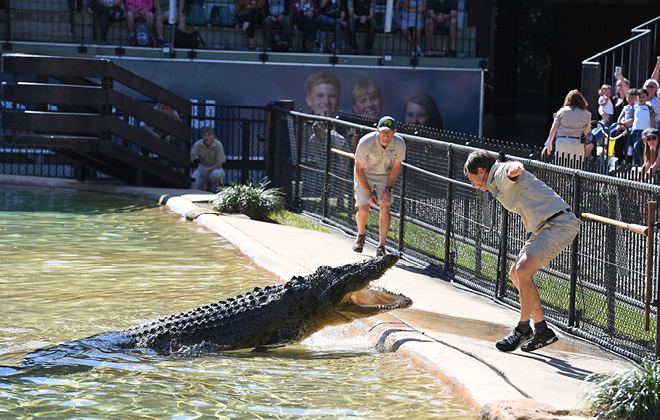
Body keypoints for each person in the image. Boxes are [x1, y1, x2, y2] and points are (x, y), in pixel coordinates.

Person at [464, 150, 580, 352]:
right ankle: (542, 330)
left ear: (482, 171)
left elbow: (512, 169)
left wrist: (514, 167)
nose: (472, 185)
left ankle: (523, 328)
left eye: (472, 179)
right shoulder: (493, 180)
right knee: (515, 274)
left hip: (559, 224)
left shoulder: (499, 173)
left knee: (523, 271)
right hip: (544, 226)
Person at [352, 116, 406, 257]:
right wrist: (369, 192)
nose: (386, 134)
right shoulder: (366, 142)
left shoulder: (399, 144)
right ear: (378, 130)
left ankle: (381, 246)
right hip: (365, 173)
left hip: (384, 175)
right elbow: (358, 169)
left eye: (389, 131)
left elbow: (396, 166)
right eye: (383, 131)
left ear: (395, 131)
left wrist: (388, 189)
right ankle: (361, 235)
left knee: (385, 207)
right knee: (364, 208)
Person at [546, 89, 591, 166]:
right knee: (575, 169)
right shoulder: (586, 113)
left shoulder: (562, 111)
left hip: (561, 141)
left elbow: (554, 128)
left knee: (561, 168)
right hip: (576, 142)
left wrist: (549, 144)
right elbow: (587, 132)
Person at [190, 126, 227, 191]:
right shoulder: (198, 144)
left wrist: (208, 169)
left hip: (215, 168)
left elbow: (219, 164)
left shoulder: (218, 145)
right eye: (205, 135)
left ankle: (214, 189)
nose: (207, 138)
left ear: (213, 136)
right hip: (202, 167)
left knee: (217, 175)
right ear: (202, 136)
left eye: (209, 135)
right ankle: (204, 187)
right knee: (193, 185)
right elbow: (191, 158)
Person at [631, 87, 656, 166]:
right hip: (635, 130)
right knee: (634, 148)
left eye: (643, 96)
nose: (641, 98)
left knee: (637, 146)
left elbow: (652, 120)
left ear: (647, 97)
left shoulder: (649, 108)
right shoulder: (635, 107)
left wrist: (653, 130)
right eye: (639, 96)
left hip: (645, 131)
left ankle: (642, 161)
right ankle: (637, 164)